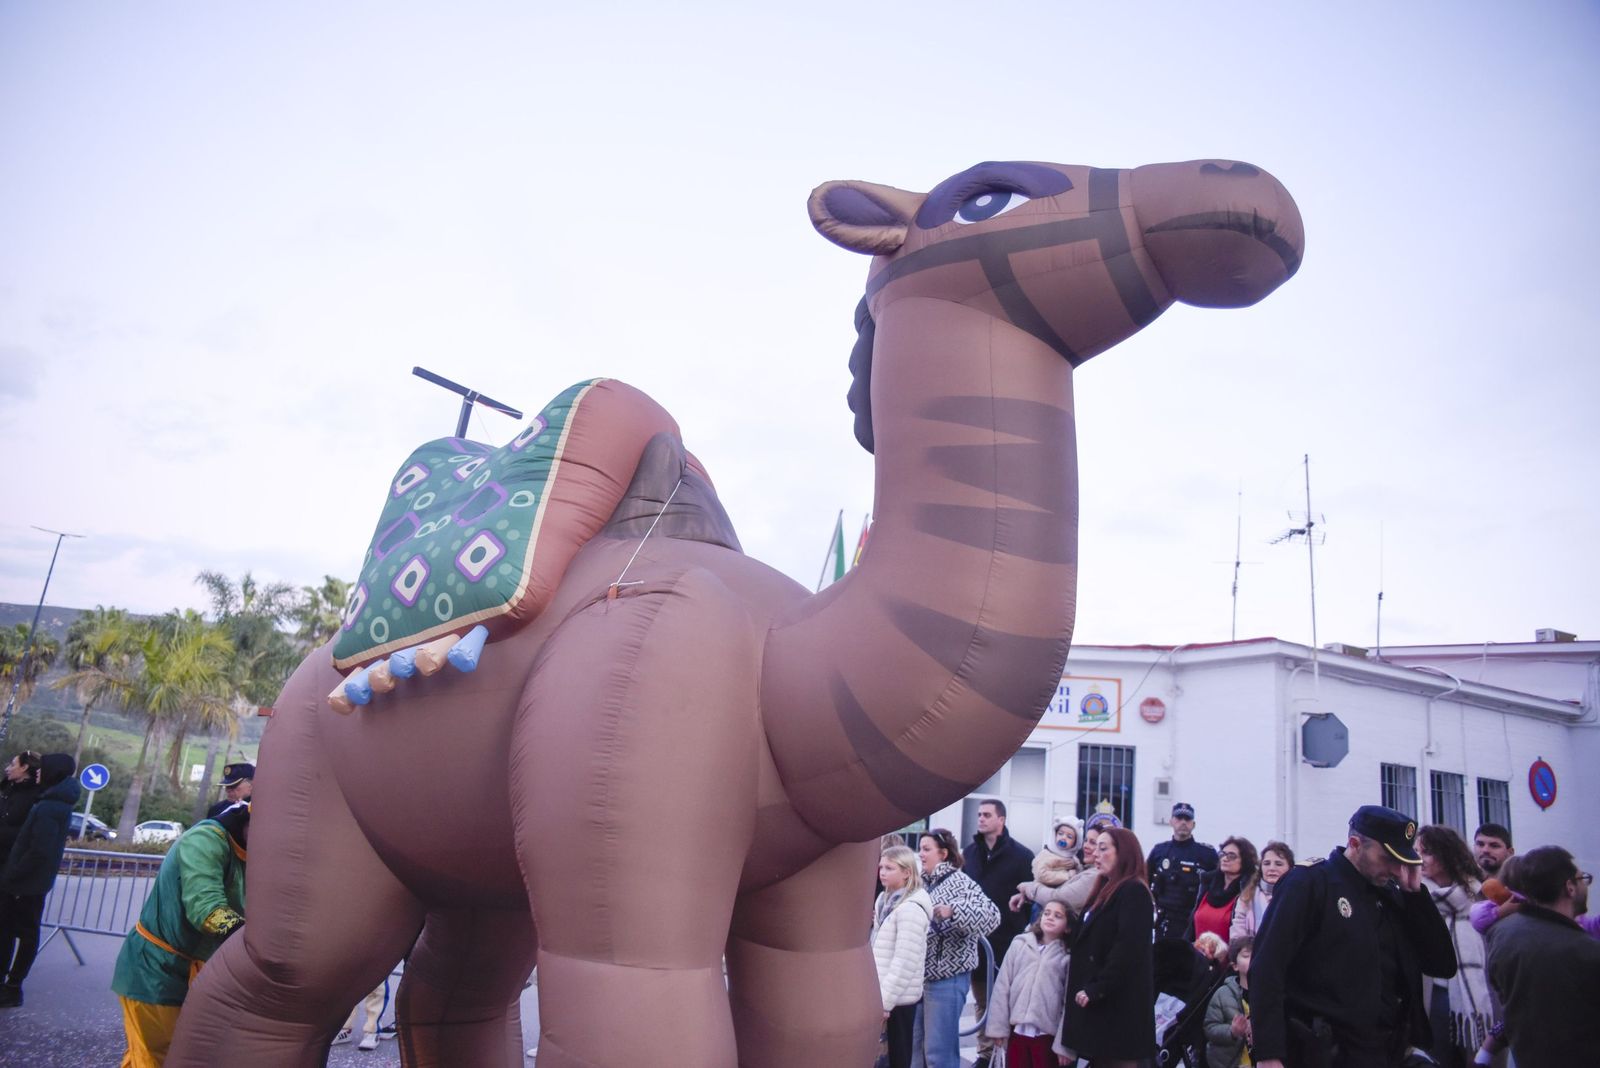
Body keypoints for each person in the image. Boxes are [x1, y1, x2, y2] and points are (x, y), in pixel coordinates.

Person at [1250, 805, 1456, 1068]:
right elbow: (1268, 967)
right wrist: (1269, 1054)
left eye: (1401, 860)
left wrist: (1416, 898)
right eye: (1388, 858)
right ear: (1355, 844)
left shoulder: (1391, 894)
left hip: (1386, 1049)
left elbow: (1441, 965)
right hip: (1326, 1051)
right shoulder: (1310, 883)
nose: (1396, 869)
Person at [112, 800, 249, 1066]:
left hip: (198, 972)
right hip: (155, 971)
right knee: (153, 1058)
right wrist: (258, 943)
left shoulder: (255, 851)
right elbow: (207, 910)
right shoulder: (206, 840)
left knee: (186, 1057)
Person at [1482, 845, 1600, 1067]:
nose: (1586, 884)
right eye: (1582, 878)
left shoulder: (1502, 933)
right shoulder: (1586, 953)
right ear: (1570, 888)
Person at [1057, 826, 1155, 1068]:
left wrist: (1098, 988)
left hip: (1116, 1007)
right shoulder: (1104, 888)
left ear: (1123, 853)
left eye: (1103, 848)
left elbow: (1129, 949)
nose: (1095, 854)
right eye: (1094, 848)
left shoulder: (1133, 891)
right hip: (1098, 1006)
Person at [912, 827, 999, 1068]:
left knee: (938, 1053)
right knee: (915, 1051)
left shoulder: (961, 882)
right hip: (918, 979)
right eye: (920, 849)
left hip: (946, 979)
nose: (921, 854)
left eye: (926, 849)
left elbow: (992, 916)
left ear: (943, 853)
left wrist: (955, 912)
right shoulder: (919, 884)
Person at [0, 752, 78, 1008]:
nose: (39, 773)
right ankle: (11, 985)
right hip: (33, 881)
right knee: (21, 931)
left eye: (43, 769)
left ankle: (11, 986)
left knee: (18, 932)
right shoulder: (54, 802)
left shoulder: (48, 807)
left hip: (25, 882)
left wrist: (14, 873)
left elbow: (38, 849)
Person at [962, 799, 1035, 1068]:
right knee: (982, 1002)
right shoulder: (969, 853)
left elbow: (1029, 901)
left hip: (1008, 942)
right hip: (978, 944)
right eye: (979, 814)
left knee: (1006, 1002)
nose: (980, 819)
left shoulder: (1022, 856)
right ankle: (985, 1054)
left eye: (987, 815)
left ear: (1001, 820)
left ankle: (1007, 1053)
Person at [1415, 825, 1492, 1067]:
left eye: (1426, 851)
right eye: (1416, 850)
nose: (1418, 858)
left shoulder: (1481, 894)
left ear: (1446, 854)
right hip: (1433, 992)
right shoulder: (1416, 893)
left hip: (1476, 996)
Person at [984, 899, 1072, 1068]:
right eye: (1046, 913)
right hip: (1017, 1032)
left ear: (1068, 926)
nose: (1050, 918)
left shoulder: (1067, 956)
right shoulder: (1020, 944)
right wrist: (998, 1027)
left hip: (1047, 1037)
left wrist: (1063, 1045)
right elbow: (1003, 986)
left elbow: (1068, 1003)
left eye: (1058, 915)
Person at [872, 844, 933, 1068]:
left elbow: (905, 961)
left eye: (889, 868)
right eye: (881, 867)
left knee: (898, 1057)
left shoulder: (911, 909)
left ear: (907, 872)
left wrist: (886, 1002)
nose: (883, 872)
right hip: (882, 992)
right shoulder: (884, 900)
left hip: (899, 998)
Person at [1149, 803, 1218, 940]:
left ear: (1193, 824)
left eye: (1187, 819)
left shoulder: (1206, 854)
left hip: (1193, 922)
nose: (1183, 823)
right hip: (1165, 921)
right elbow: (1144, 880)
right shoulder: (1159, 851)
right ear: (1171, 822)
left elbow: (1218, 884)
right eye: (1179, 818)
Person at [1013, 821, 1103, 919]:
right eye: (1086, 840)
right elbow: (1047, 880)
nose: (1085, 846)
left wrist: (1031, 889)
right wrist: (1027, 894)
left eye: (1093, 842)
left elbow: (1059, 899)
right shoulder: (1082, 868)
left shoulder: (1094, 875)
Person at [1204, 935, 1254, 1068]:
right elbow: (1210, 1028)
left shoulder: (1268, 993)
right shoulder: (1223, 994)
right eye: (1246, 955)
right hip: (1230, 1062)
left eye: (1257, 954)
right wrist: (1232, 1031)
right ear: (1235, 966)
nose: (1253, 959)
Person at [1193, 837, 1256, 944]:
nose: (1225, 858)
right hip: (1200, 955)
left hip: (1231, 956)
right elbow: (1192, 924)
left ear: (1245, 860)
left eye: (1231, 856)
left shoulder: (1249, 889)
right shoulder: (1208, 883)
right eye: (1222, 854)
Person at [1233, 840, 1294, 940]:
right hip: (1251, 953)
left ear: (1290, 868)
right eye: (1266, 863)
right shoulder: (1247, 897)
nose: (1271, 868)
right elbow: (1237, 934)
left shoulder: (1297, 897)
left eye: (1278, 864)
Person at [0, 751, 43, 869]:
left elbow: (26, 832)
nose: (7, 769)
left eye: (13, 765)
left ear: (24, 767)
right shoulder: (8, 789)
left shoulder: (35, 797)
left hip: (10, 861)